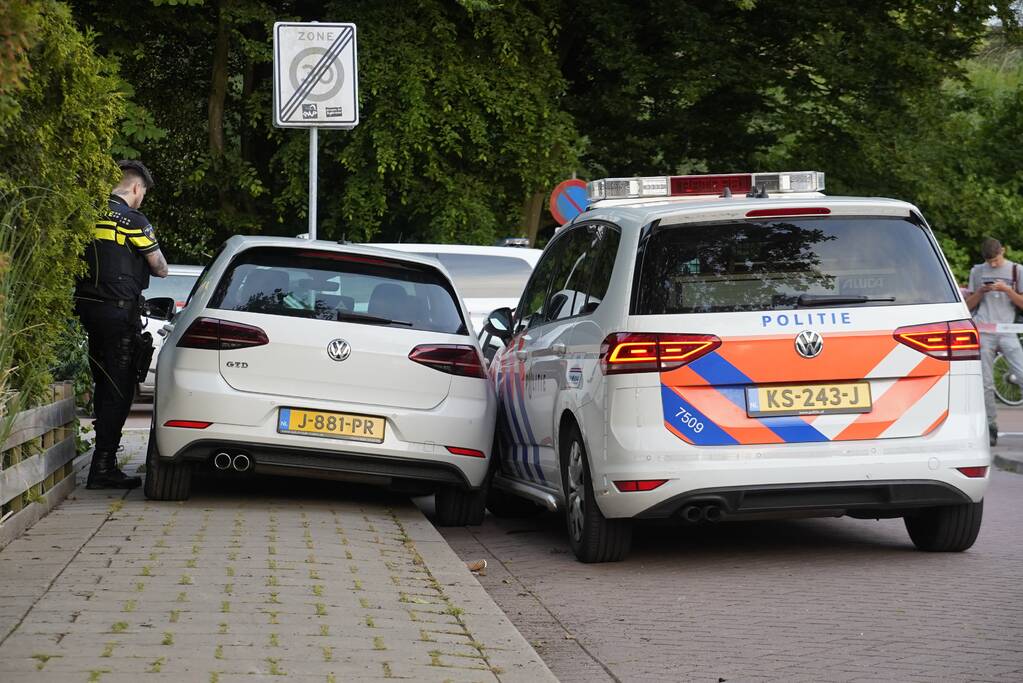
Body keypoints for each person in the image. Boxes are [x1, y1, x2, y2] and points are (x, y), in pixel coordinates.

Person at [74, 160, 168, 488]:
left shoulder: (87, 214)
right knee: (120, 387)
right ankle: (102, 468)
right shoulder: (132, 220)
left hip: (90, 310)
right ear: (136, 188)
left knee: (103, 382)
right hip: (119, 313)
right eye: (143, 194)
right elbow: (160, 268)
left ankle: (102, 460)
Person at [965, 237, 1023, 447]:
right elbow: (968, 306)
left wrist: (1007, 290)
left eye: (996, 260)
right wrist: (981, 291)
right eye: (989, 261)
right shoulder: (977, 272)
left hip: (1007, 330)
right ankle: (991, 426)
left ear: (1003, 251)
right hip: (984, 330)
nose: (993, 265)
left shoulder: (1017, 270)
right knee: (985, 383)